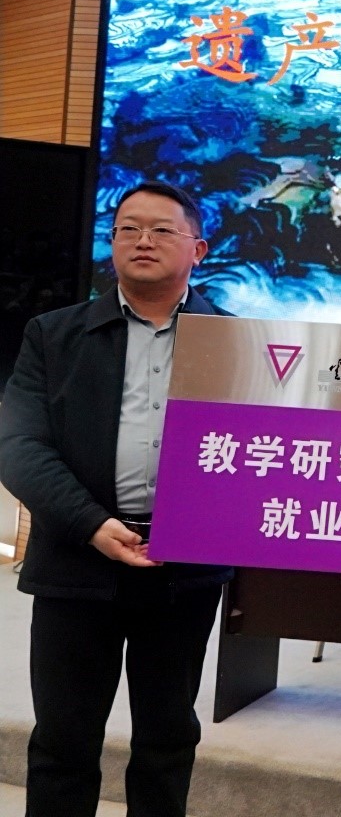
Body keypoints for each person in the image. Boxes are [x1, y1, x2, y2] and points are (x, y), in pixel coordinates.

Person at [0, 181, 233, 817]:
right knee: (63, 739)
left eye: (161, 229)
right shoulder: (54, 334)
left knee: (167, 737)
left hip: (182, 568)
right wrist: (92, 524)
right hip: (76, 561)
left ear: (198, 248)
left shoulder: (238, 341)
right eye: (128, 228)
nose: (142, 240)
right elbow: (18, 446)